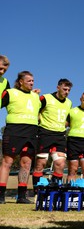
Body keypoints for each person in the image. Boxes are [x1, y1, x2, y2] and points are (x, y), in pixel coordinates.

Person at [0, 71, 41, 204]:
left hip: (31, 132)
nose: (32, 83)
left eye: (33, 80)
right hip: (14, 130)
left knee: (26, 163)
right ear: (20, 82)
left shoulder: (36, 96)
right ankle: (1, 195)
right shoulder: (10, 93)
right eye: (29, 80)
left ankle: (22, 196)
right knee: (7, 162)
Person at [32, 79, 73, 188]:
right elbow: (34, 109)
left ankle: (54, 191)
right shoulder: (45, 98)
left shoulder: (69, 103)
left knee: (60, 164)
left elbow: (68, 119)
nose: (67, 92)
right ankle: (38, 191)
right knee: (41, 163)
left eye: (69, 90)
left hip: (60, 135)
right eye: (65, 89)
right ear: (58, 87)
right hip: (44, 133)